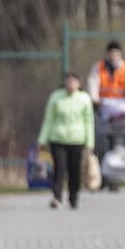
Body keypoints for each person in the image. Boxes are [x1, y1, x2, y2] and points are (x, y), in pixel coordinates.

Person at [37, 72, 95, 210]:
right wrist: (42, 139)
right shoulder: (56, 97)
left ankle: (73, 196)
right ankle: (56, 196)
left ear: (79, 84)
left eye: (74, 81)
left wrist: (90, 142)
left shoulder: (84, 99)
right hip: (58, 138)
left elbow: (89, 121)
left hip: (77, 139)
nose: (71, 84)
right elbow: (49, 119)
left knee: (74, 169)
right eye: (69, 81)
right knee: (60, 167)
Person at [86, 40, 125, 154]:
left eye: (115, 53)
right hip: (103, 108)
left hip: (122, 109)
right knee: (102, 136)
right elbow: (93, 85)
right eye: (111, 53)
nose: (113, 56)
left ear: (120, 54)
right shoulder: (98, 68)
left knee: (123, 133)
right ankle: (104, 158)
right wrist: (95, 100)